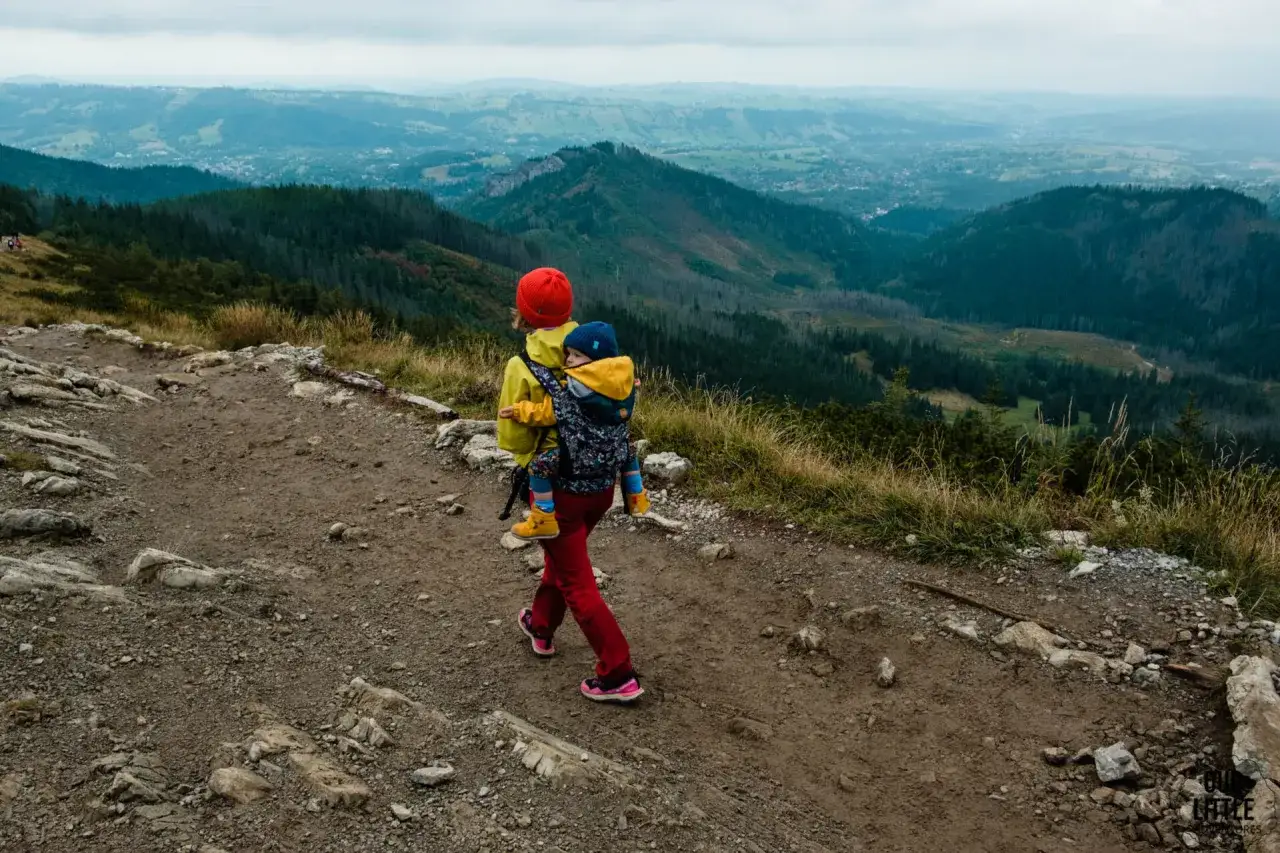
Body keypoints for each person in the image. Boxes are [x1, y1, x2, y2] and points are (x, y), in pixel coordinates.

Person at [497, 267, 644, 704]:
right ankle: (541, 625)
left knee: (578, 581)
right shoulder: (594, 351)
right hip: (602, 486)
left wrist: (536, 457)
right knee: (564, 556)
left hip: (558, 490)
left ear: (524, 312)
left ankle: (617, 672)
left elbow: (512, 439)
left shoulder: (522, 365)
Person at [499, 320, 650, 541]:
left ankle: (543, 517)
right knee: (630, 451)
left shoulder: (573, 389)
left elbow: (546, 413)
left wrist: (518, 410)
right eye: (569, 353)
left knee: (538, 466)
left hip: (579, 457)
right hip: (612, 454)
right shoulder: (623, 385)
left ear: (597, 360)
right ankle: (636, 496)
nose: (569, 359)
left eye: (577, 355)